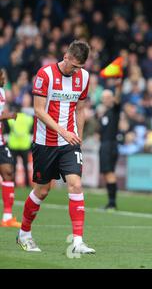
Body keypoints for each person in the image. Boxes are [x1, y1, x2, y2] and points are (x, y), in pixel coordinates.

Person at [16, 40, 95, 254]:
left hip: (69, 143)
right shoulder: (45, 74)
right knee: (42, 190)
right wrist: (63, 131)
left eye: (80, 67)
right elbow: (39, 111)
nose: (76, 70)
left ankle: (78, 241)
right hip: (45, 143)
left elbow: (80, 109)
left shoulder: (84, 77)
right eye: (74, 65)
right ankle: (24, 233)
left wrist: (77, 135)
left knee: (75, 185)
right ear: (66, 56)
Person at [0, 70, 21, 228]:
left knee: (8, 172)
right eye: (2, 76)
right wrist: (8, 116)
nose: (4, 79)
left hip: (0, 142)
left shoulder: (1, 92)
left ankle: (7, 217)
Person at [98, 79, 123, 211]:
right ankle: (110, 202)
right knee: (108, 173)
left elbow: (118, 100)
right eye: (104, 98)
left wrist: (118, 87)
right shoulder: (104, 113)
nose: (106, 99)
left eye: (108, 97)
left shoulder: (114, 110)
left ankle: (112, 203)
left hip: (110, 145)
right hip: (105, 145)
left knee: (109, 173)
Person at [7, 103, 34, 188]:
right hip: (24, 145)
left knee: (13, 165)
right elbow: (31, 130)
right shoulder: (28, 118)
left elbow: (7, 131)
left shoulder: (11, 119)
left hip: (13, 145)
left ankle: (13, 183)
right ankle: (27, 184)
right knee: (25, 165)